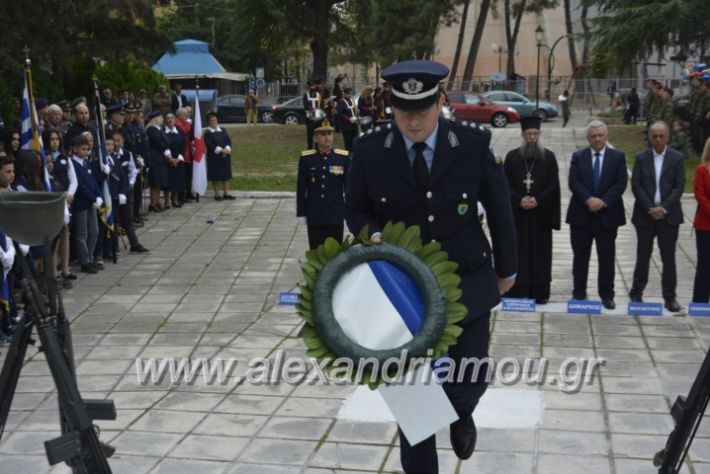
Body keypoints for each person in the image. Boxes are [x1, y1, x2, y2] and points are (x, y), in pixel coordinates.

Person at [345, 60, 517, 473]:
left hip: (466, 280)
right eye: (403, 112)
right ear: (392, 107)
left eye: (421, 111)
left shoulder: (472, 144)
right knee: (413, 397)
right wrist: (372, 235)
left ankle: (460, 412)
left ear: (439, 102)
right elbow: (355, 209)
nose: (412, 121)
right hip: (404, 291)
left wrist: (508, 269)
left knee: (470, 372)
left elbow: (499, 208)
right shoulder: (370, 150)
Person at [566, 120, 628, 309]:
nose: (597, 139)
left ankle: (607, 294)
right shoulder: (578, 156)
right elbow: (574, 182)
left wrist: (602, 201)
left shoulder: (617, 157)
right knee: (580, 257)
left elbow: (621, 182)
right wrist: (589, 200)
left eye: (600, 135)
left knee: (607, 258)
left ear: (606, 136)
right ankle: (578, 292)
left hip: (607, 216)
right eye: (593, 136)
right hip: (581, 215)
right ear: (588, 138)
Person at [628, 121, 685, 312]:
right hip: (645, 216)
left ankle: (670, 297)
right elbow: (636, 185)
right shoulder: (641, 158)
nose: (658, 140)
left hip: (669, 217)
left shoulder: (677, 158)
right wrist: (651, 208)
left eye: (661, 136)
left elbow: (679, 186)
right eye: (654, 136)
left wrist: (663, 208)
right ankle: (636, 294)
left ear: (667, 137)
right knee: (643, 255)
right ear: (650, 137)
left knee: (668, 257)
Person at [503, 117, 561, 304]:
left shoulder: (549, 157)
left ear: (539, 134)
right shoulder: (512, 157)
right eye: (528, 134)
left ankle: (539, 292)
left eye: (535, 134)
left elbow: (553, 186)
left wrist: (538, 200)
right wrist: (519, 200)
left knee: (539, 255)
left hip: (540, 217)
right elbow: (504, 185)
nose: (532, 137)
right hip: (518, 216)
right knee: (518, 252)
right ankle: (516, 290)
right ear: (522, 135)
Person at [296, 119, 349, 249]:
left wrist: (349, 211)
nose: (327, 138)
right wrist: (301, 213)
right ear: (315, 138)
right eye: (323, 134)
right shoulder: (307, 159)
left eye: (329, 134)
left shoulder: (343, 158)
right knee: (316, 251)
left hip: (335, 213)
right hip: (315, 214)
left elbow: (349, 188)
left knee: (335, 254)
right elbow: (301, 188)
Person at [69, 134, 102, 274]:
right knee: (81, 233)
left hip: (91, 202)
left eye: (88, 149)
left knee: (94, 231)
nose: (87, 152)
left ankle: (90, 256)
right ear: (75, 149)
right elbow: (80, 186)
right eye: (83, 149)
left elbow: (92, 182)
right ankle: (85, 261)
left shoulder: (86, 162)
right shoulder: (73, 164)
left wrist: (99, 196)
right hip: (81, 203)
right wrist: (93, 198)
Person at [693, 138, 710, 302]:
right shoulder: (701, 170)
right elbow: (700, 194)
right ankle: (700, 301)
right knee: (705, 264)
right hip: (705, 225)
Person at [204, 111, 235, 201]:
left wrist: (227, 149)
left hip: (225, 156)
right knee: (216, 176)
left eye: (215, 119)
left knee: (226, 175)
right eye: (211, 120)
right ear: (208, 122)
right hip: (214, 157)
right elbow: (209, 145)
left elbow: (228, 140)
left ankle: (226, 193)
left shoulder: (223, 130)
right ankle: (217, 194)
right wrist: (221, 151)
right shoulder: (208, 133)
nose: (213, 121)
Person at [145, 111, 170, 212]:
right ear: (155, 119)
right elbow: (159, 142)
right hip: (155, 158)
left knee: (159, 182)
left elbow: (165, 142)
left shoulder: (159, 129)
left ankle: (156, 202)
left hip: (160, 157)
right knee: (155, 183)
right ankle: (153, 204)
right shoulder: (152, 129)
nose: (162, 119)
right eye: (161, 117)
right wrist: (165, 148)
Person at [163, 113, 186, 208]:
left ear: (175, 119)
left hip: (178, 159)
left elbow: (183, 146)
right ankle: (167, 200)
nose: (170, 119)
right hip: (167, 159)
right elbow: (162, 145)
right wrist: (170, 159)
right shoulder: (163, 131)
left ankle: (175, 200)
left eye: (172, 118)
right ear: (165, 120)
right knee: (167, 180)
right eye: (167, 118)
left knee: (177, 180)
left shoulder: (179, 131)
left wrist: (178, 158)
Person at [303, 80, 322, 149]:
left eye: (313, 86)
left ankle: (317, 148)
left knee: (317, 133)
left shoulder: (319, 95)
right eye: (311, 86)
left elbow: (321, 105)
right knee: (310, 134)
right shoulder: (306, 95)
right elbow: (305, 106)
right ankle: (310, 149)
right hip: (310, 116)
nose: (313, 87)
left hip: (318, 116)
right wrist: (312, 109)